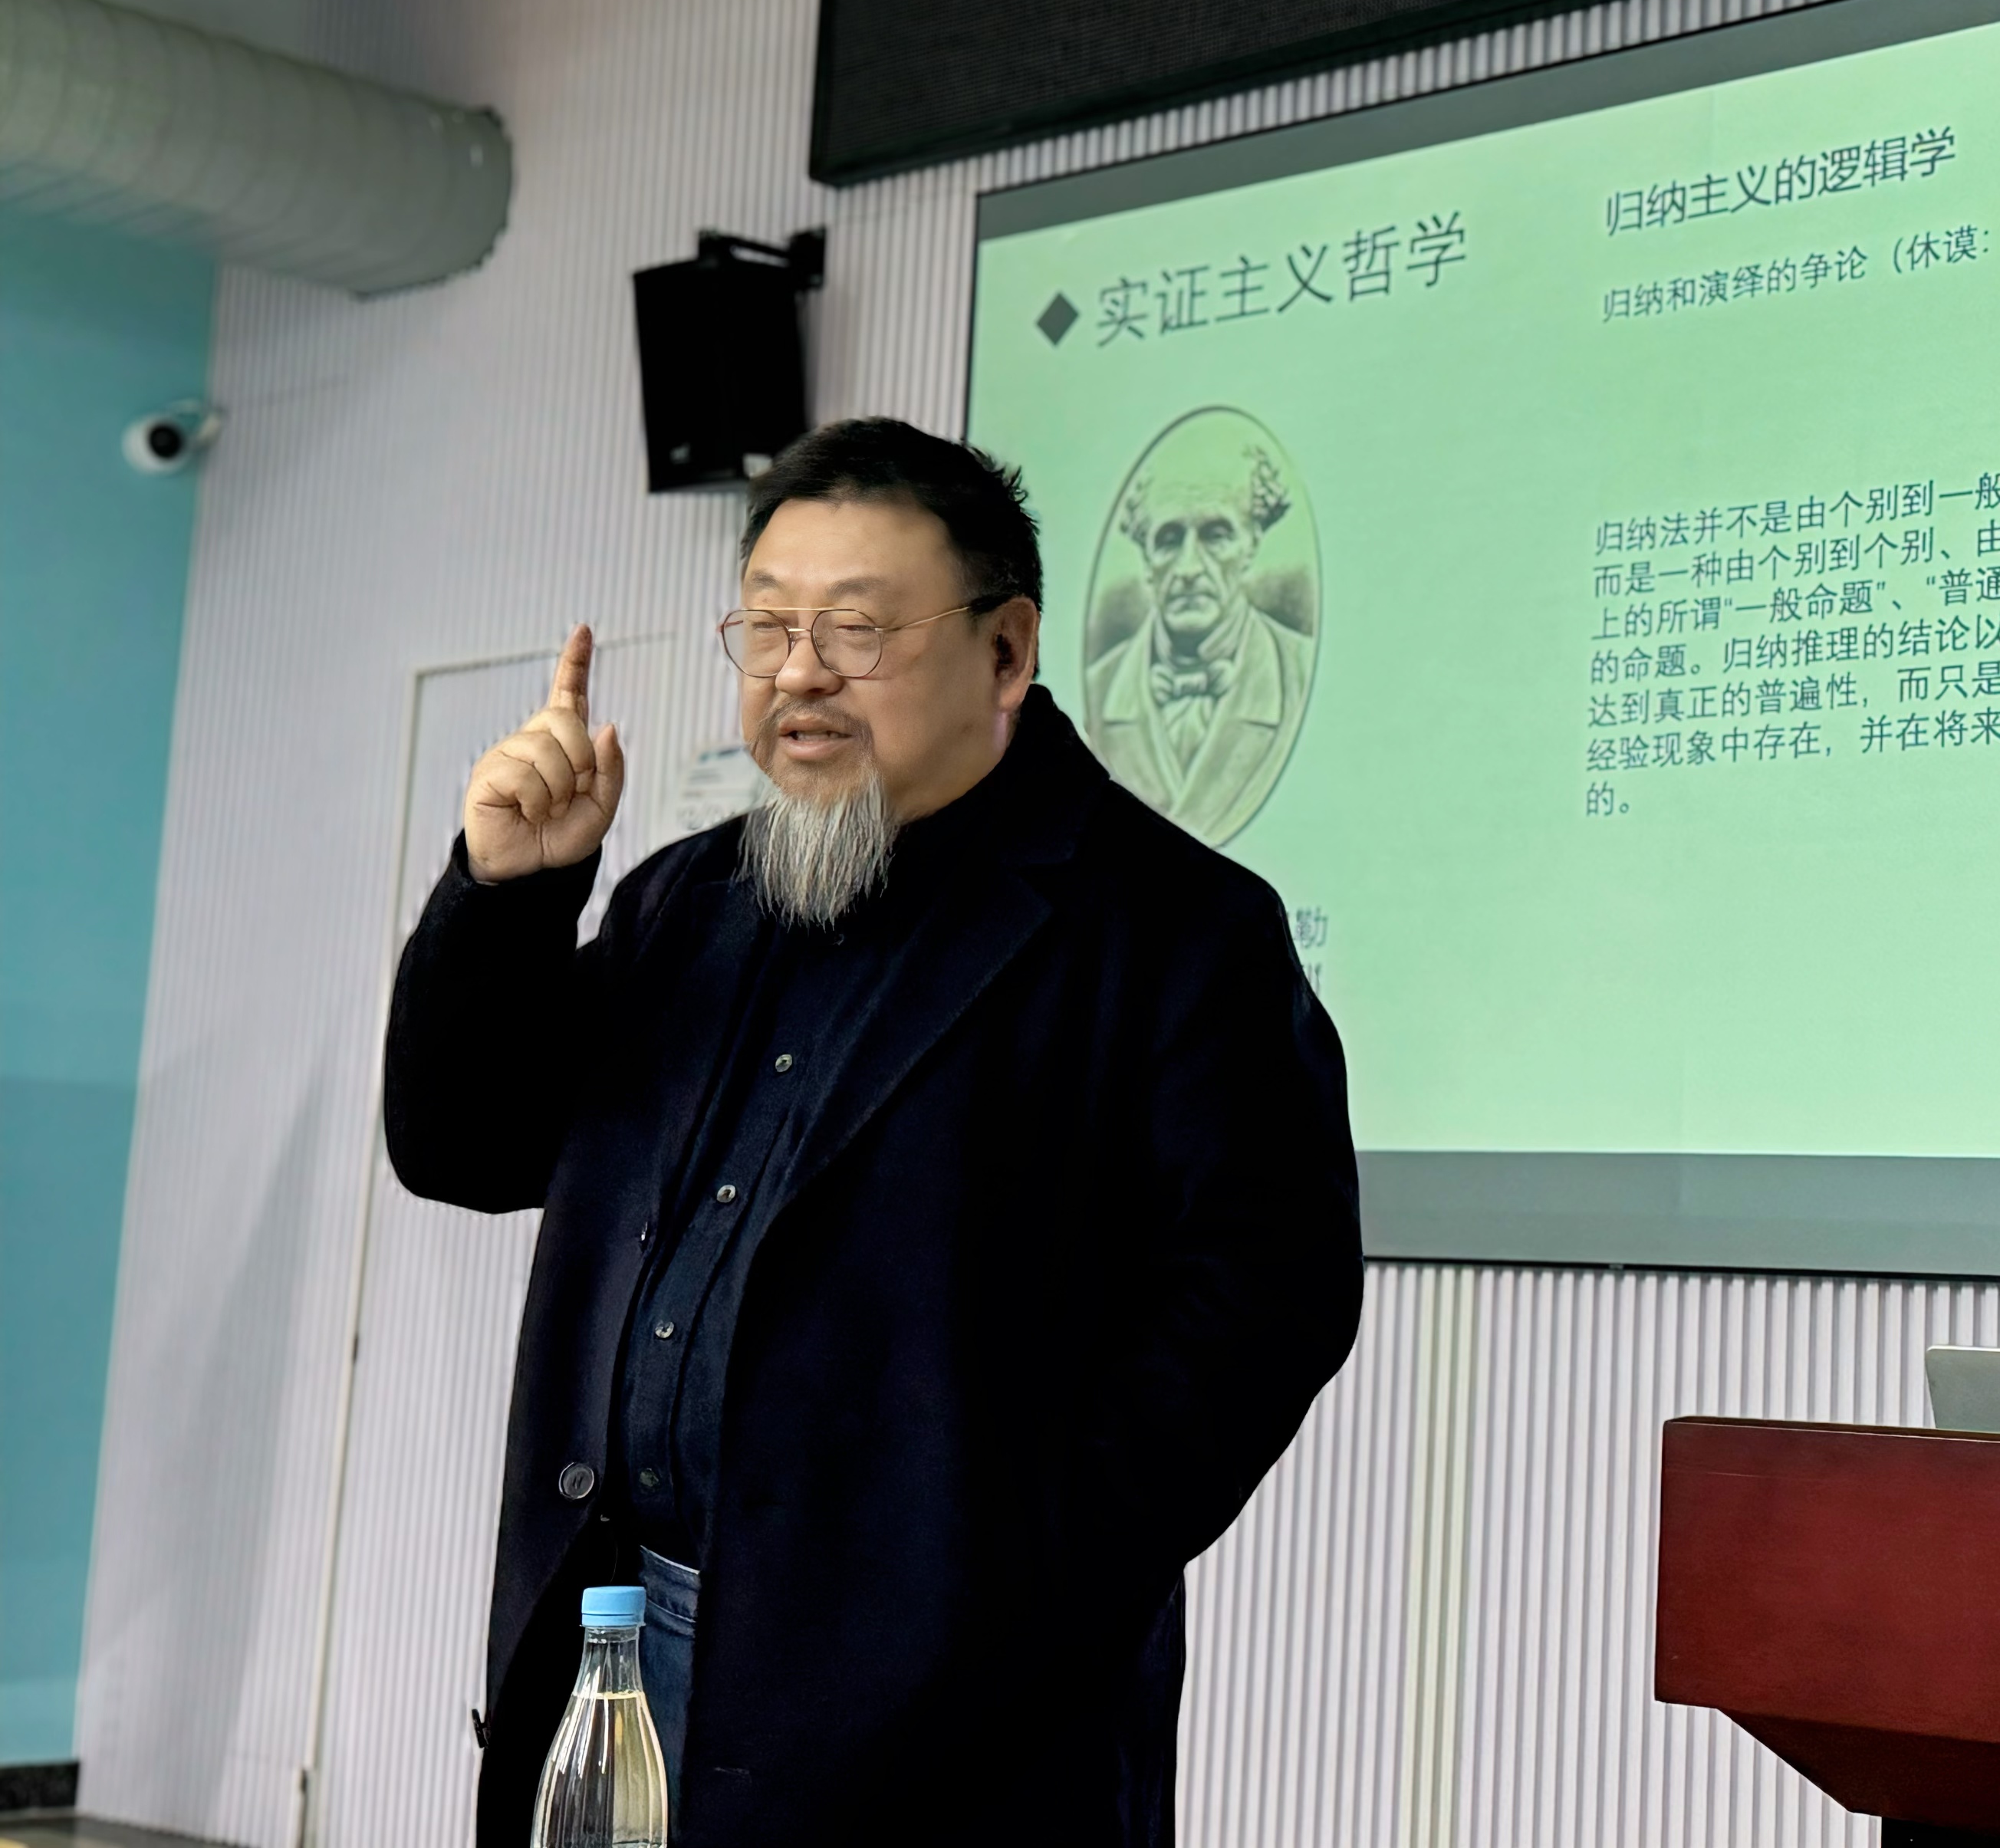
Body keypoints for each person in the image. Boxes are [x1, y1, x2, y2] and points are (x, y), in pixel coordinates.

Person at [385, 418, 1360, 1846]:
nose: (798, 673)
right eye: (769, 626)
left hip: (940, 1711)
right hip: (617, 1649)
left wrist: (1011, 1580)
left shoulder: (1170, 930)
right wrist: (511, 896)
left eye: (855, 629)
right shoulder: (684, 902)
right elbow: (463, 1148)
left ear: (1007, 652)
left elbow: (1268, 1296)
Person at [1083, 423, 1315, 848]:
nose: (1189, 567)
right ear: (1147, 556)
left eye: (1216, 536)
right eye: (1169, 540)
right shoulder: (1100, 686)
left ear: (1251, 545)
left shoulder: (1298, 671)